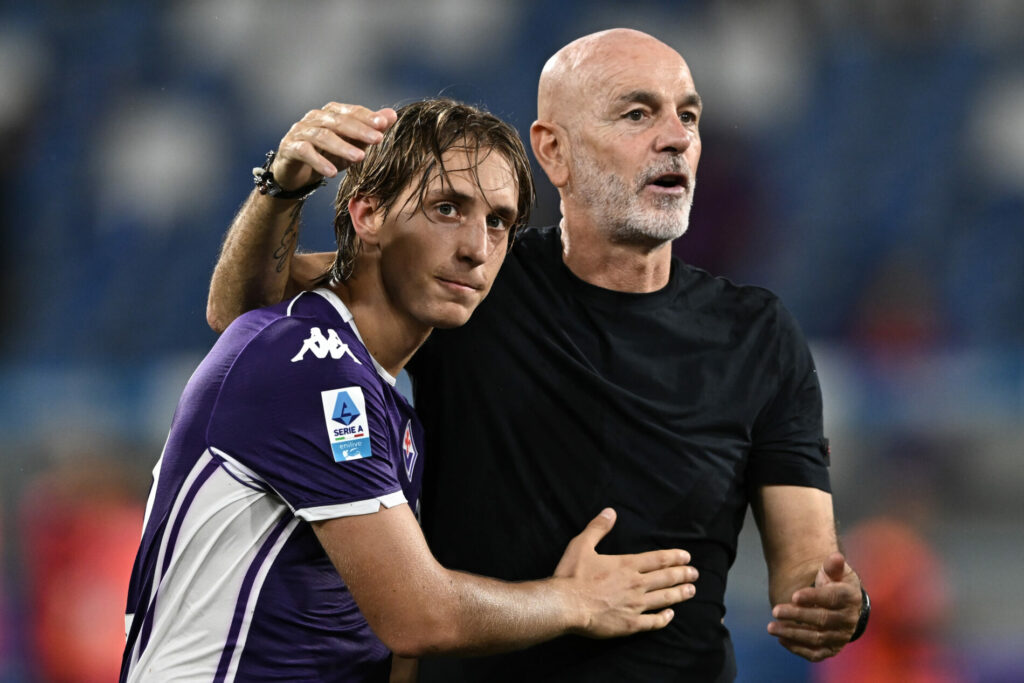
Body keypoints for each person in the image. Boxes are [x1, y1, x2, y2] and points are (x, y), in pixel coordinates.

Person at [206, 29, 869, 682]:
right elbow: (247, 316)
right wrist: (280, 189)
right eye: (638, 114)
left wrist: (835, 601)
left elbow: (806, 562)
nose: (676, 137)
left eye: (688, 116)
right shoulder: (473, 274)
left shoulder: (760, 334)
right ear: (554, 150)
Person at [123, 97, 700, 683]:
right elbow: (420, 617)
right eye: (447, 208)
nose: (477, 248)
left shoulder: (391, 412)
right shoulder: (310, 361)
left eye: (497, 222)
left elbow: (394, 652)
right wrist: (575, 601)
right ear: (368, 214)